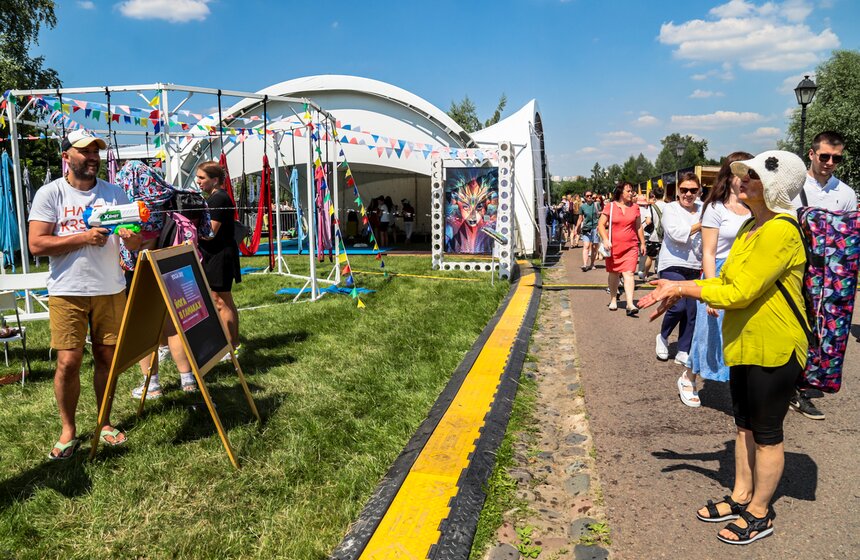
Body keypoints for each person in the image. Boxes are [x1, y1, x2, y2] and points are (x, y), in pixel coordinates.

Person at [639, 150, 809, 545]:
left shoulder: (781, 230)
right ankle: (740, 497)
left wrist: (681, 287)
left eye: (752, 176)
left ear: (776, 187)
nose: (741, 180)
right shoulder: (753, 225)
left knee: (767, 433)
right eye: (742, 175)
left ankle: (760, 512)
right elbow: (724, 281)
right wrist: (679, 288)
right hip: (746, 342)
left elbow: (741, 290)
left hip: (775, 344)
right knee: (744, 426)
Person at [28, 130, 142, 459]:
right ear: (66, 156)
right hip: (68, 291)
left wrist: (130, 237)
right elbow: (37, 244)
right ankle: (68, 430)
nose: (93, 157)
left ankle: (104, 422)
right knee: (68, 362)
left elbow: (134, 241)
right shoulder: (50, 194)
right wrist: (82, 238)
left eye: (96, 151)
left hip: (110, 288)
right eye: (85, 152)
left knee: (107, 359)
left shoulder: (116, 192)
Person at [788, 130, 854, 421]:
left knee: (824, 331)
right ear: (812, 154)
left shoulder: (846, 193)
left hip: (832, 277)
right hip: (797, 269)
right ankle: (785, 384)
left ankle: (804, 384)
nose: (829, 162)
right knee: (794, 326)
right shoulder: (793, 187)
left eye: (836, 158)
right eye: (824, 156)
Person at [688, 153, 752, 393]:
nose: (747, 177)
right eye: (742, 172)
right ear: (729, 175)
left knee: (741, 333)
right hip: (720, 273)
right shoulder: (715, 208)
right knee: (708, 333)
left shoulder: (754, 208)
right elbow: (708, 253)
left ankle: (741, 390)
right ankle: (689, 376)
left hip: (746, 275)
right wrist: (712, 289)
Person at [654, 173, 702, 396]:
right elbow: (675, 234)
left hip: (695, 263)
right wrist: (701, 225)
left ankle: (684, 348)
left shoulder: (704, 208)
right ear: (678, 191)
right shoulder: (670, 209)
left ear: (699, 191)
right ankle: (663, 336)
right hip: (672, 262)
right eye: (684, 190)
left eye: (693, 190)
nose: (688, 194)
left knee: (692, 311)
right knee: (678, 306)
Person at [196, 161, 241, 354]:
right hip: (219, 254)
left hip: (220, 255)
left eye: (202, 178)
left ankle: (230, 346)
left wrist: (189, 232)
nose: (198, 181)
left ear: (215, 180)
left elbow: (210, 232)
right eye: (197, 177)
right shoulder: (216, 198)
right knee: (223, 299)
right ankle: (233, 344)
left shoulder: (218, 199)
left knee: (221, 301)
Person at [597, 181, 645, 316]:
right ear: (621, 192)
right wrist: (606, 239)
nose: (631, 193)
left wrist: (643, 243)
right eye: (628, 191)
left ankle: (630, 304)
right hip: (613, 247)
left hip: (631, 246)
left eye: (632, 191)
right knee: (614, 273)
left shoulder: (635, 208)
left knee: (629, 273)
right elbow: (601, 224)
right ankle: (613, 299)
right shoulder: (610, 207)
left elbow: (639, 226)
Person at [641, 187, 666, 279]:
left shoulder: (652, 207)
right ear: (663, 195)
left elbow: (648, 221)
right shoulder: (668, 206)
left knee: (650, 257)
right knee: (664, 258)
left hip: (654, 236)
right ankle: (662, 277)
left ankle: (645, 274)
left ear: (654, 196)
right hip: (666, 236)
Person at [576, 191, 600, 271]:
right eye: (587, 196)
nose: (589, 197)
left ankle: (592, 264)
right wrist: (577, 228)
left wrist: (600, 226)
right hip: (586, 228)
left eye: (591, 196)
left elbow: (600, 216)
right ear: (585, 197)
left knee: (594, 247)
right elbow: (580, 218)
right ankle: (585, 264)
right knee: (586, 246)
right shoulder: (582, 207)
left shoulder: (596, 205)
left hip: (595, 228)